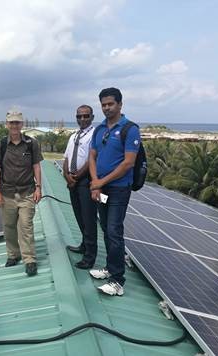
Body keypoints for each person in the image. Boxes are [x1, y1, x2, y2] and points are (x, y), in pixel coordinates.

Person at [88, 87, 141, 296]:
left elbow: (128, 163)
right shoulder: (100, 129)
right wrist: (95, 182)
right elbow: (92, 156)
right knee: (105, 228)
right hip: (101, 188)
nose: (107, 108)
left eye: (110, 104)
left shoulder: (130, 129)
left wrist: (101, 181)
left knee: (114, 231)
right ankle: (110, 267)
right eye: (103, 105)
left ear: (120, 104)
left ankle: (118, 281)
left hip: (119, 190)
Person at [0, 109, 43, 277]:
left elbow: (36, 166)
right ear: (7, 124)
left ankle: (30, 260)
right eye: (11, 122)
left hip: (27, 192)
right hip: (7, 194)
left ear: (22, 124)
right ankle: (13, 255)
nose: (14, 125)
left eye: (17, 122)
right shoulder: (1, 144)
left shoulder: (31, 143)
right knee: (9, 227)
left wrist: (39, 187)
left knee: (26, 226)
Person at [63, 105, 98, 269]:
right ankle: (83, 245)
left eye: (86, 116)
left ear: (92, 117)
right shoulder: (73, 136)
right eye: (79, 116)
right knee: (78, 216)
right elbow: (66, 158)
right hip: (72, 182)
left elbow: (92, 159)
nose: (82, 119)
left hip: (85, 182)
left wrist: (77, 176)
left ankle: (89, 257)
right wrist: (67, 176)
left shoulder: (95, 135)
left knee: (89, 219)